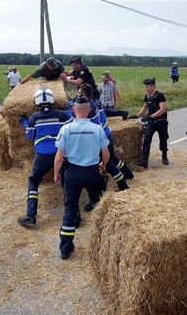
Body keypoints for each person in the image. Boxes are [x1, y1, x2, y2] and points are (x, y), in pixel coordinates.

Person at [54, 96, 109, 259]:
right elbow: (106, 154)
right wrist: (103, 165)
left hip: (73, 174)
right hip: (92, 173)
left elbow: (59, 157)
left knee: (70, 209)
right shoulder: (97, 128)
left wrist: (56, 173)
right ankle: (101, 244)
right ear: (89, 110)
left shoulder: (66, 129)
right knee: (99, 208)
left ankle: (65, 248)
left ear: (73, 110)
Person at [17, 88, 72, 228]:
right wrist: (68, 109)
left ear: (36, 102)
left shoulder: (34, 117)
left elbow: (30, 135)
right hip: (60, 153)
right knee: (66, 181)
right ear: (53, 100)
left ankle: (31, 215)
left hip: (42, 155)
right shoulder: (62, 115)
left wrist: (24, 121)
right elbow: (72, 123)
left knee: (34, 181)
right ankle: (74, 216)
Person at [74, 83, 131, 194]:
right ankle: (127, 176)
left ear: (84, 94)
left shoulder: (89, 108)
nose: (78, 94)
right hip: (104, 135)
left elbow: (75, 113)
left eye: (80, 92)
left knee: (109, 163)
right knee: (111, 161)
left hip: (99, 139)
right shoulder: (95, 103)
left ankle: (121, 184)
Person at [135, 78, 169, 168]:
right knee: (147, 139)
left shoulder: (160, 95)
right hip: (151, 122)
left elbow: (163, 109)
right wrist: (137, 115)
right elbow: (145, 107)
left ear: (152, 86)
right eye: (145, 87)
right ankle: (145, 160)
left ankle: (164, 156)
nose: (146, 88)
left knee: (163, 139)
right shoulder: (147, 96)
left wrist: (150, 116)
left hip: (161, 122)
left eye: (147, 87)